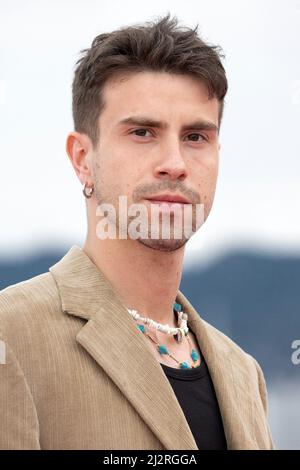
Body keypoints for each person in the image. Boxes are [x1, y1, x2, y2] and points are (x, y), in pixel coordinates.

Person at [0, 14, 275, 450]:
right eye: (143, 132)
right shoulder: (11, 336)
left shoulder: (244, 373)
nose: (175, 162)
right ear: (82, 158)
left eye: (196, 136)